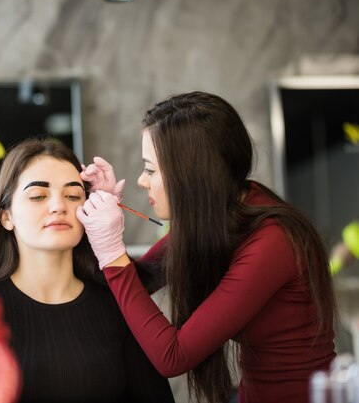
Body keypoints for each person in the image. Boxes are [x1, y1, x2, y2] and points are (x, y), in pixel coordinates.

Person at [76, 91, 337, 403]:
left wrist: (112, 251)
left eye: (150, 169)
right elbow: (140, 281)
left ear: (191, 174)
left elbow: (173, 356)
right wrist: (100, 225)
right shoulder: (222, 215)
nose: (141, 181)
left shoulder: (274, 240)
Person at [0, 137, 174, 403]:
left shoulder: (117, 304)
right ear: (6, 217)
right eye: (38, 196)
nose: (58, 206)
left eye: (73, 195)